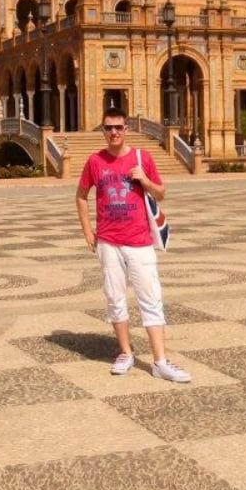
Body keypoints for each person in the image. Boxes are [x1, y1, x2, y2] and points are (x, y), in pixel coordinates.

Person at [75, 107, 191, 382]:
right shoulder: (94, 161)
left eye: (118, 127)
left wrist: (145, 180)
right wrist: (87, 231)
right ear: (102, 130)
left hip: (139, 240)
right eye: (108, 128)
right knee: (115, 299)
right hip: (108, 241)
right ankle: (125, 352)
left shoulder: (144, 157)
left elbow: (161, 193)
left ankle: (160, 361)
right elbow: (80, 195)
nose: (113, 132)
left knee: (150, 298)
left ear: (127, 128)